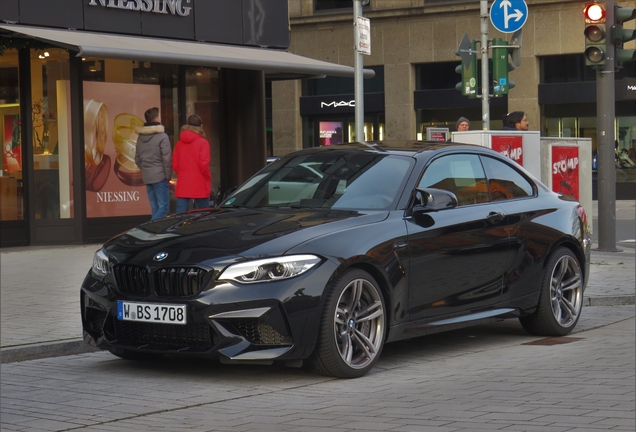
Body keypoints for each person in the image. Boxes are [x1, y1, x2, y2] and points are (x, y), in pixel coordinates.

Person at [134, 107, 172, 220]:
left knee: (155, 208)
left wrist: (146, 169)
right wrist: (168, 176)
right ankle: (150, 230)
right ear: (157, 120)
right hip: (160, 176)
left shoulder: (140, 137)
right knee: (164, 208)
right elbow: (167, 159)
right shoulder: (162, 136)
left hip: (147, 177)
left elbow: (137, 159)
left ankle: (154, 234)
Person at [172, 114, 211, 213]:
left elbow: (175, 164)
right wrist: (208, 176)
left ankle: (178, 229)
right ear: (201, 126)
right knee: (204, 213)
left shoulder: (179, 143)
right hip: (199, 182)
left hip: (183, 182)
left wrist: (182, 173)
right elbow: (203, 164)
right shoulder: (203, 142)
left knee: (180, 214)